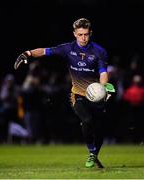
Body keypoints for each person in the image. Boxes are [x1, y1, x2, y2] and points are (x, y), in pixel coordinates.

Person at [14, 18, 115, 169]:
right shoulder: (68, 49)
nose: (83, 38)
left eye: (86, 34)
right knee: (87, 120)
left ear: (90, 33)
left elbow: (103, 73)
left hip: (96, 95)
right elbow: (44, 51)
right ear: (74, 33)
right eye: (80, 34)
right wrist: (27, 53)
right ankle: (92, 152)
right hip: (78, 95)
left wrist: (103, 88)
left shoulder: (99, 51)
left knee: (99, 128)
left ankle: (94, 155)